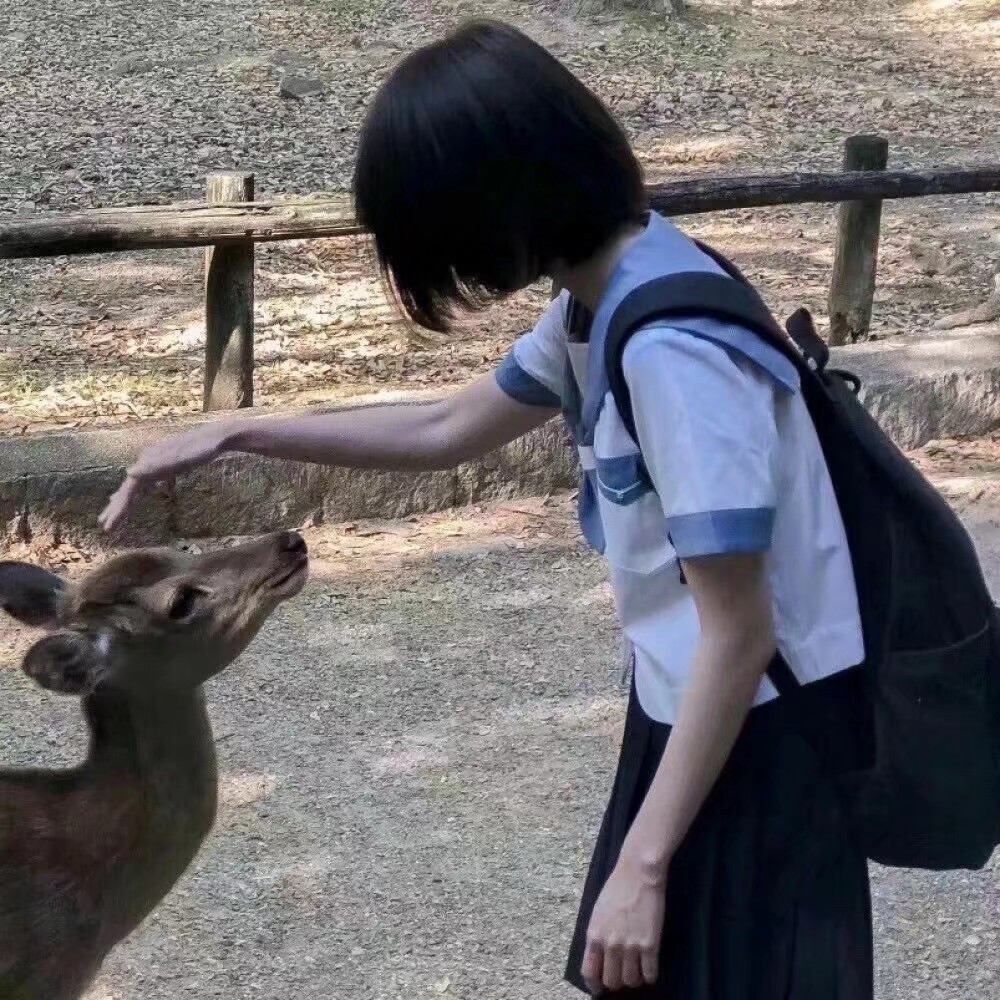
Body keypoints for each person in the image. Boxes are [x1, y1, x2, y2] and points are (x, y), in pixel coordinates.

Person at [100, 19, 873, 1000]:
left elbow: (739, 633)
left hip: (761, 751)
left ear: (497, 203)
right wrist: (239, 431)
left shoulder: (670, 354)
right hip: (688, 722)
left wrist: (644, 864)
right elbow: (444, 427)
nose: (441, 273)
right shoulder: (601, 297)